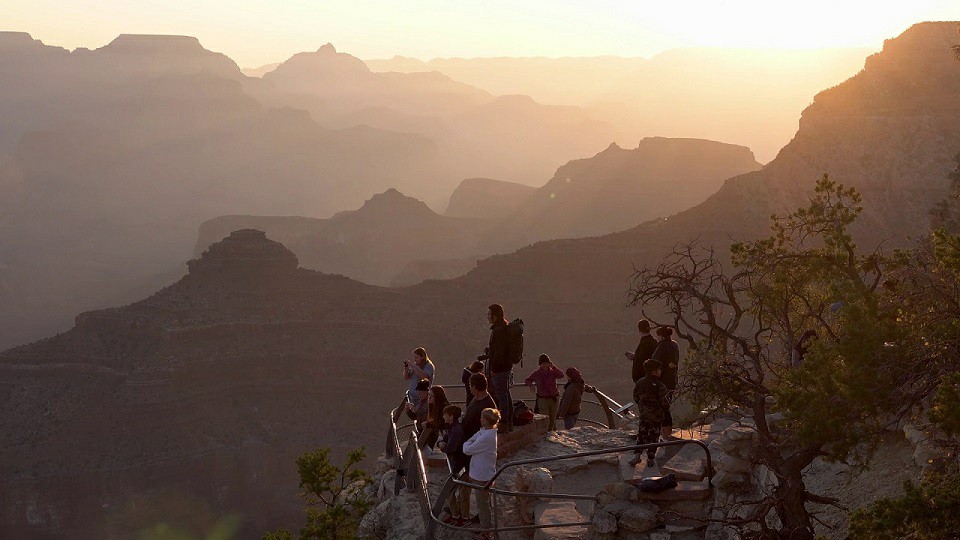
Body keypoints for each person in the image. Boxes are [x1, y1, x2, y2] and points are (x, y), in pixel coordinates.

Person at [463, 408, 500, 539]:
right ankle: (486, 528)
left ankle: (486, 532)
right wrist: (469, 443)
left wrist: (467, 444)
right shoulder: (485, 432)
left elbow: (468, 449)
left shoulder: (487, 436)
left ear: (485, 420)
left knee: (483, 503)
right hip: (482, 472)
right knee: (483, 502)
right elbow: (472, 441)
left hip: (482, 475)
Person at [629, 359, 670, 467]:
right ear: (654, 372)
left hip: (644, 415)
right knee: (654, 436)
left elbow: (636, 397)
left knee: (642, 434)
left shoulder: (640, 383)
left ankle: (637, 455)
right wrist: (663, 410)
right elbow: (665, 402)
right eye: (659, 370)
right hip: (656, 416)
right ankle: (650, 458)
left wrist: (643, 407)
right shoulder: (660, 386)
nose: (660, 372)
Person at [437, 404, 469, 526]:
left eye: (445, 414)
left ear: (451, 416)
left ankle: (463, 518)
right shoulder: (452, 428)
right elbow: (442, 440)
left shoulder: (457, 430)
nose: (443, 416)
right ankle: (456, 515)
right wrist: (441, 443)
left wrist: (442, 446)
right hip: (457, 465)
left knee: (462, 492)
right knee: (454, 492)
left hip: (461, 466)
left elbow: (450, 448)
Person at [486, 303, 513, 433]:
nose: (488, 317)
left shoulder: (498, 331)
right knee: (505, 393)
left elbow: (499, 352)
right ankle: (510, 421)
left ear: (495, 316)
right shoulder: (504, 327)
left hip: (499, 369)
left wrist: (493, 368)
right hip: (505, 367)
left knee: (501, 395)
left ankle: (504, 424)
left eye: (489, 314)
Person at [652, 326, 680, 440]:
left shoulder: (662, 347)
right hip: (672, 381)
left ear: (661, 336)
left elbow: (656, 365)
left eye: (658, 336)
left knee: (662, 409)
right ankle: (667, 433)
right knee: (666, 407)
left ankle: (665, 435)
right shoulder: (674, 345)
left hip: (662, 382)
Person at [523, 354, 564, 431]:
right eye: (543, 364)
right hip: (542, 399)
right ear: (540, 364)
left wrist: (554, 367)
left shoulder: (553, 372)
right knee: (545, 418)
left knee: (552, 418)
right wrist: (531, 385)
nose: (545, 365)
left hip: (554, 398)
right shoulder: (537, 373)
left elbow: (561, 375)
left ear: (549, 363)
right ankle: (546, 433)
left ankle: (550, 433)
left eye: (546, 363)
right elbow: (527, 380)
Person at [421, 385, 451, 450]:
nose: (429, 397)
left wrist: (427, 424)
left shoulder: (444, 407)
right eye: (429, 395)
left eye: (432, 396)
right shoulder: (434, 406)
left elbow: (441, 423)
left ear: (437, 397)